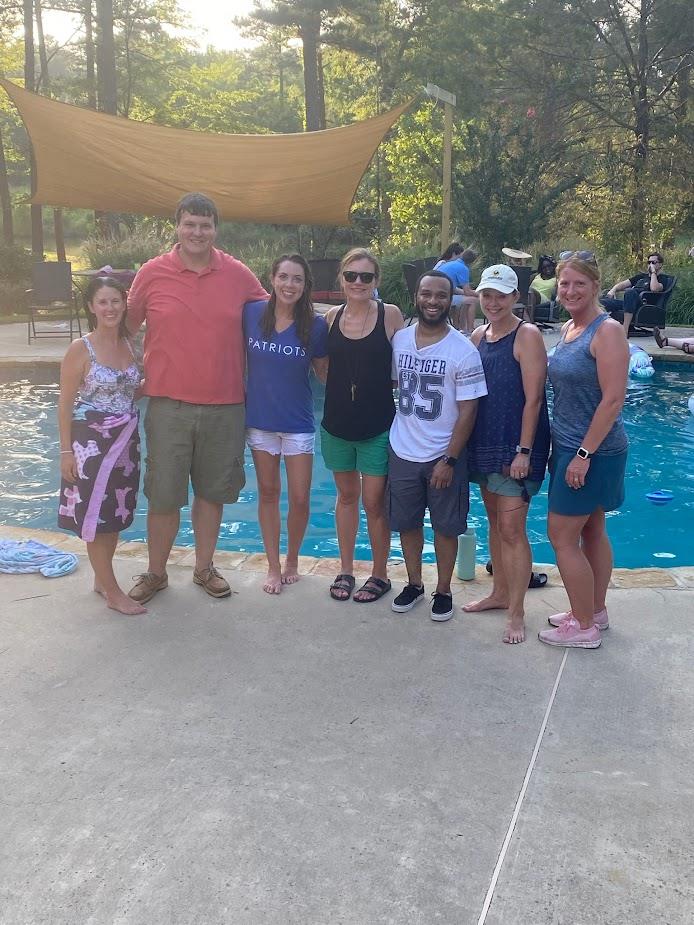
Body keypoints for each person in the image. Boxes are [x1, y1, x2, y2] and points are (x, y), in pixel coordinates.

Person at [126, 192, 268, 604]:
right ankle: (156, 572)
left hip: (225, 404)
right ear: (177, 226)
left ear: (215, 230)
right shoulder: (152, 273)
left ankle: (204, 568)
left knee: (211, 492)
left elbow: (275, 315)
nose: (197, 232)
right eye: (190, 223)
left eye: (205, 225)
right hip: (168, 404)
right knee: (165, 493)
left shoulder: (238, 275)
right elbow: (126, 329)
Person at [538, 252, 629, 649]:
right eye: (564, 284)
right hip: (572, 448)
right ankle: (595, 610)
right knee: (592, 528)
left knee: (560, 536)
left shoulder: (605, 331)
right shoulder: (572, 328)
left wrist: (583, 455)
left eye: (579, 283)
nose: (570, 290)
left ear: (595, 285)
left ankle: (584, 627)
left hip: (591, 452)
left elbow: (613, 400)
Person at [388, 270, 487, 622]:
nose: (433, 301)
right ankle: (414, 583)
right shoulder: (399, 340)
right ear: (416, 296)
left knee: (446, 527)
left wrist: (450, 458)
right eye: (426, 294)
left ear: (451, 300)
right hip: (402, 450)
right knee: (407, 523)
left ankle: (443, 590)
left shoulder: (463, 350)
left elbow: (469, 409)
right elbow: (395, 386)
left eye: (441, 295)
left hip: (443, 455)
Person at [462, 265, 551, 644]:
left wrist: (524, 452)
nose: (493, 302)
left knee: (513, 529)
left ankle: (517, 612)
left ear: (516, 298)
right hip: (484, 443)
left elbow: (534, 400)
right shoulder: (479, 335)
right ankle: (499, 593)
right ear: (479, 297)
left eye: (501, 295)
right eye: (487, 295)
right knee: (494, 522)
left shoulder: (526, 335)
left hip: (516, 448)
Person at [321, 248, 404, 603]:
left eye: (366, 277)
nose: (358, 282)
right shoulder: (330, 318)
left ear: (376, 281)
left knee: (374, 502)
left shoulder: (390, 315)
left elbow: (403, 370)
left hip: (377, 425)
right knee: (346, 497)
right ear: (341, 279)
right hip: (336, 425)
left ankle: (380, 574)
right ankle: (346, 569)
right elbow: (323, 372)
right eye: (351, 275)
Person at [57, 277, 144, 615]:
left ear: (124, 305)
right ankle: (112, 591)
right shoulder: (81, 349)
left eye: (116, 301)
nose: (110, 308)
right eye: (103, 302)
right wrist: (65, 452)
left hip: (126, 444)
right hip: (90, 446)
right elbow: (64, 404)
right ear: (92, 307)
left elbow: (134, 390)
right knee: (96, 514)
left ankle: (100, 578)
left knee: (115, 514)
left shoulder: (132, 345)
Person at [243, 254, 328, 594]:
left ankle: (292, 558)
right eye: (284, 277)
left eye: (297, 279)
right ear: (272, 278)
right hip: (260, 420)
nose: (289, 285)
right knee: (267, 492)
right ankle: (274, 567)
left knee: (300, 497)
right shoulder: (251, 314)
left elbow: (325, 373)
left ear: (305, 285)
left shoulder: (315, 326)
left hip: (297, 422)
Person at [600, 252, 667, 335]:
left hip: (643, 306)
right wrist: (613, 290)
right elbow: (622, 284)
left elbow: (654, 288)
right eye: (649, 262)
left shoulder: (663, 279)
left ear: (660, 265)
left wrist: (653, 273)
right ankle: (599, 328)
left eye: (653, 262)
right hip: (629, 302)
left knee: (630, 292)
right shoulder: (641, 277)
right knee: (602, 302)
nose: (650, 265)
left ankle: (625, 330)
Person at [435, 246, 479, 335]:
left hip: (435, 295)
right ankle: (470, 330)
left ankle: (461, 328)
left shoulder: (450, 264)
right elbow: (467, 291)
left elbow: (454, 289)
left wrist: (470, 293)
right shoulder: (463, 268)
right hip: (442, 298)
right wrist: (480, 293)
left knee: (467, 299)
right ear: (471, 262)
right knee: (472, 300)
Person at [527, 255, 557, 324]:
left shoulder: (557, 278)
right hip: (530, 295)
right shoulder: (536, 276)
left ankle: (530, 321)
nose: (547, 268)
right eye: (544, 267)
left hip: (544, 299)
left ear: (553, 266)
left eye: (549, 266)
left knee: (531, 291)